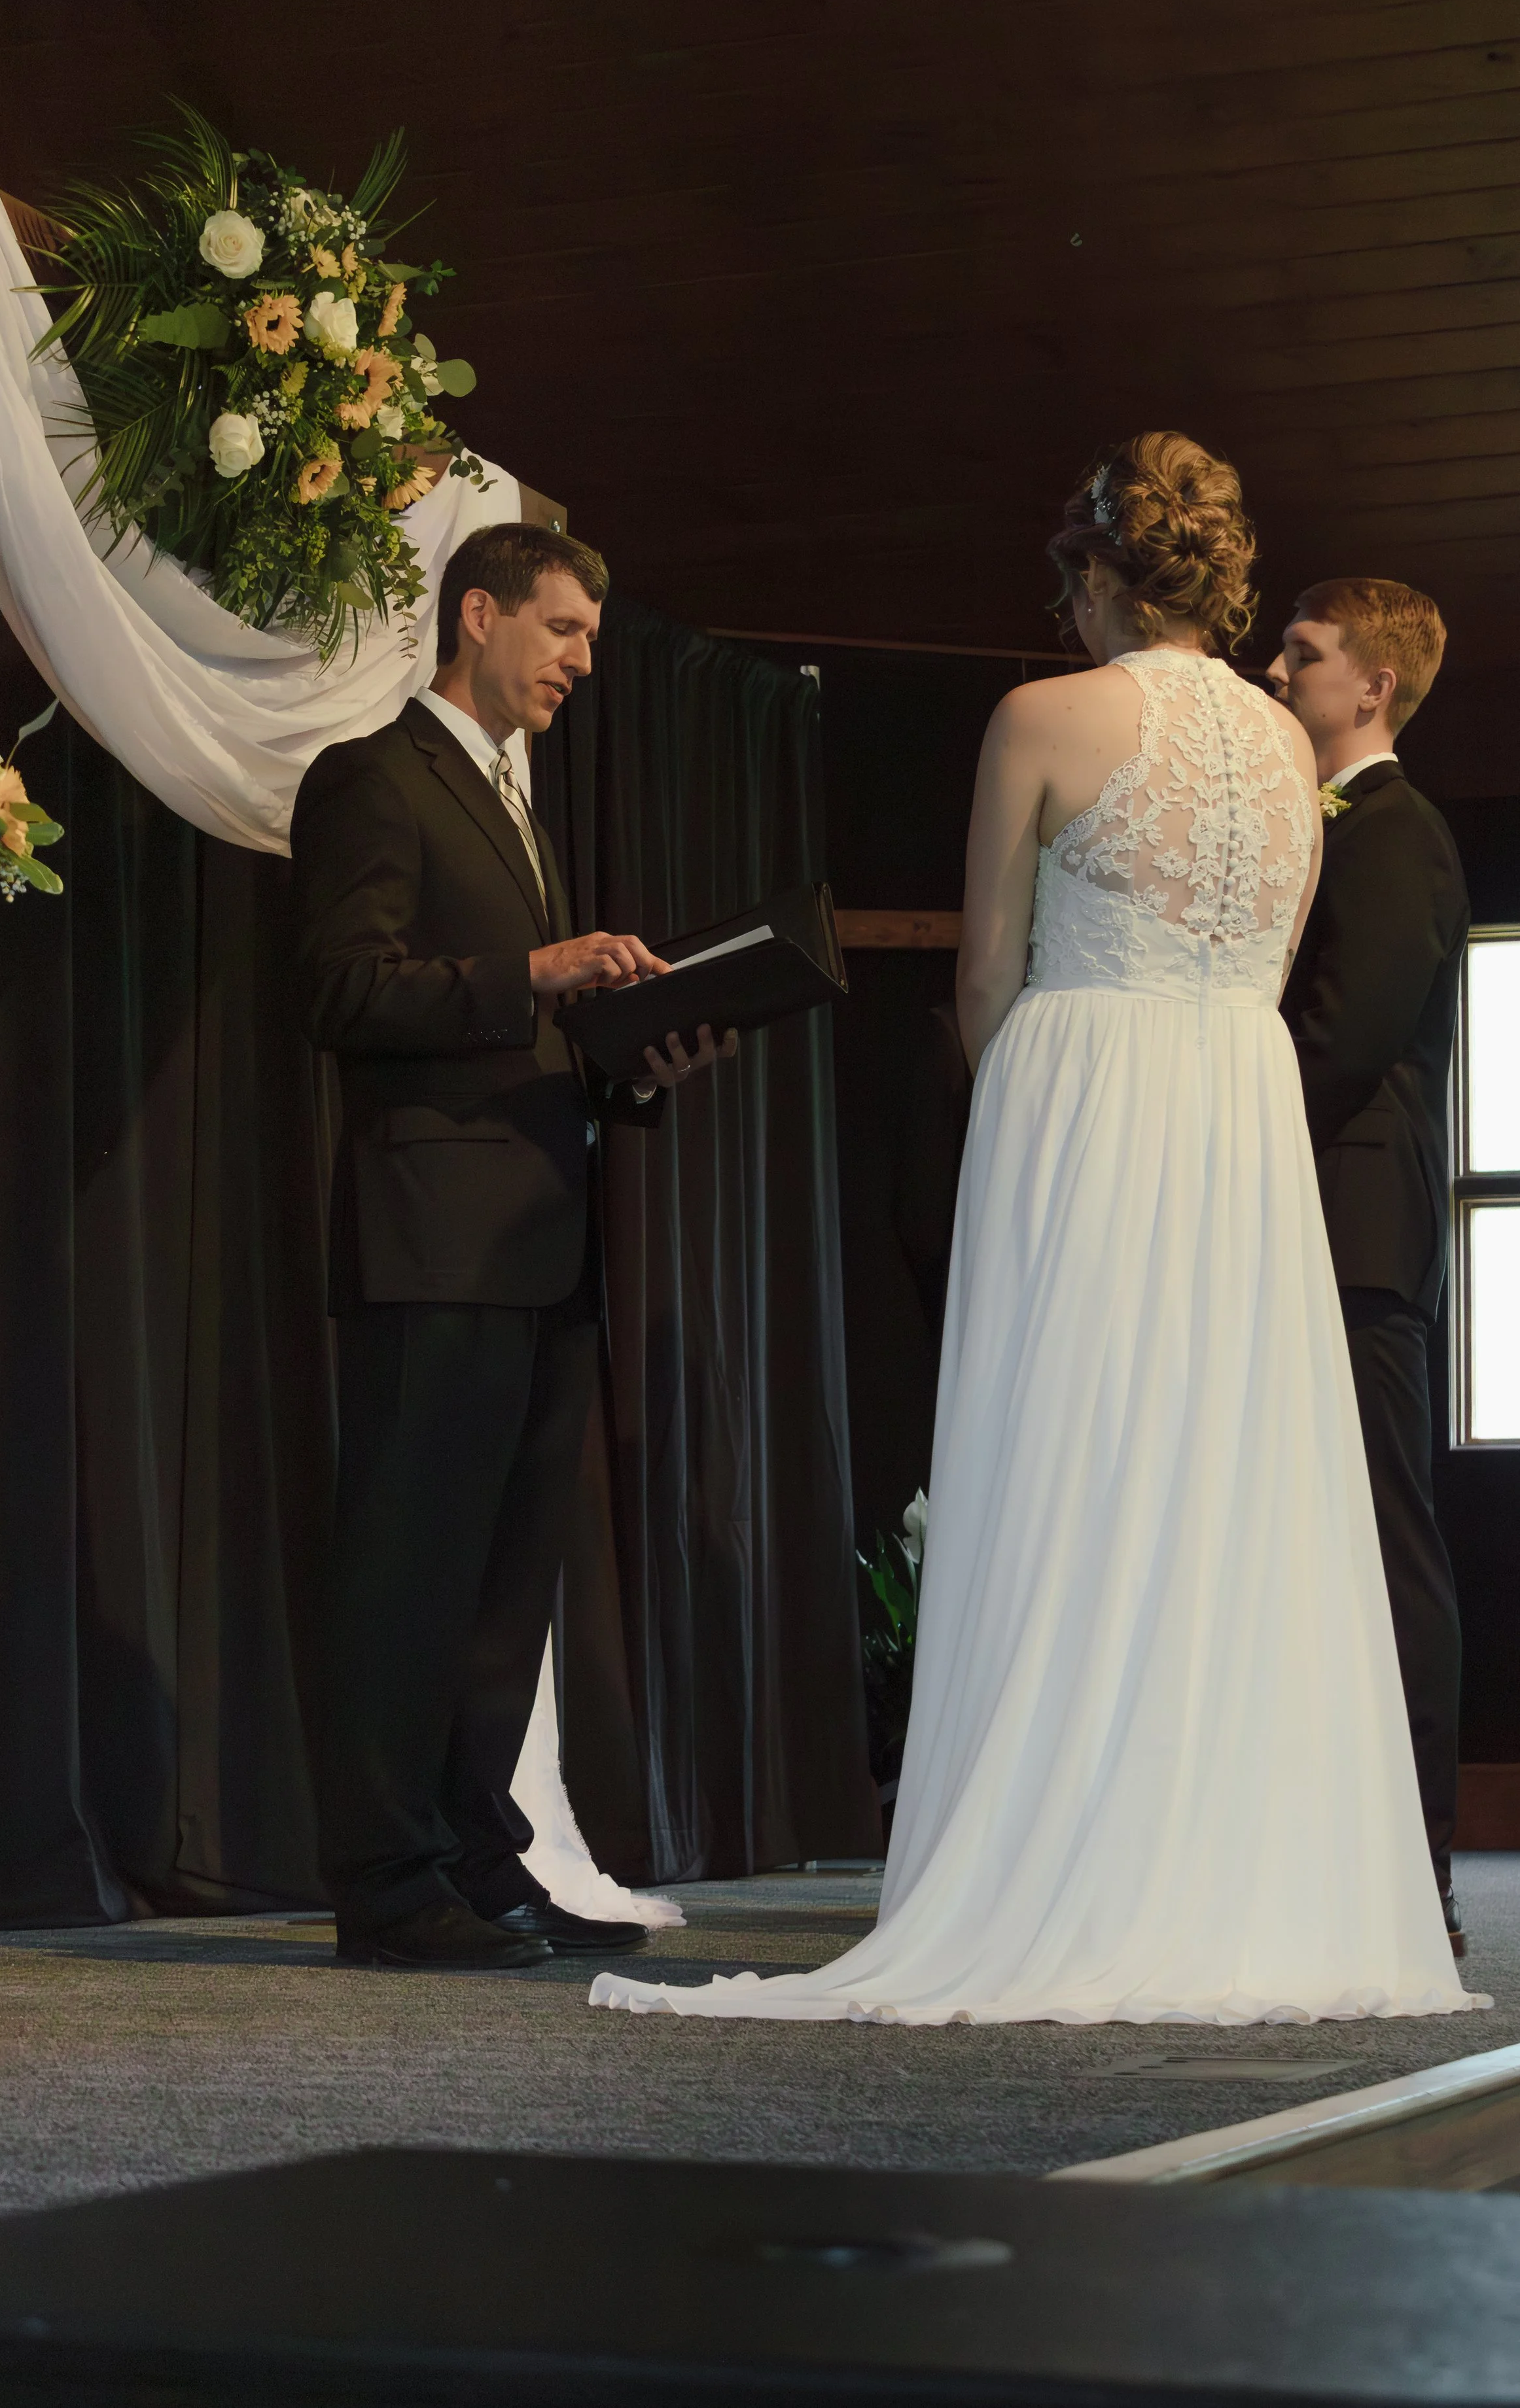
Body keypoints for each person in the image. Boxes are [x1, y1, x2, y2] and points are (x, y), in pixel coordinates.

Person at [593, 433, 1485, 2026]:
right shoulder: (1287, 747)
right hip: (1235, 1118)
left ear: (1095, 573)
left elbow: (985, 970)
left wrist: (1016, 1131)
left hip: (1086, 1099)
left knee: (1074, 1453)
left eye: (1067, 585)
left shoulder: (1040, 718)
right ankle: (1230, 1871)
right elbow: (1273, 964)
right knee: (1224, 1483)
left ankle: (1058, 1857)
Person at [291, 521, 733, 1973]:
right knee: (411, 1575)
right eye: (562, 629)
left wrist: (635, 1064)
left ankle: (477, 1859)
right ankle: (385, 1883)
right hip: (432, 1244)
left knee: (500, 1589)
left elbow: (522, 1034)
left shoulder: (511, 799)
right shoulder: (373, 776)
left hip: (535, 1243)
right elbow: (343, 991)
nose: (582, 662)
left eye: (592, 637)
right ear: (477, 614)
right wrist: (532, 970)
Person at [1269, 583, 1470, 1955]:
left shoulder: (1394, 832)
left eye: (1303, 653)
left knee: (1389, 1544)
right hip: (1308, 1226)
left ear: (1372, 688)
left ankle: (1420, 1871)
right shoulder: (1321, 822)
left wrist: (1213, 1130)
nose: (1274, 671)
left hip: (1352, 1231)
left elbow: (1343, 1041)